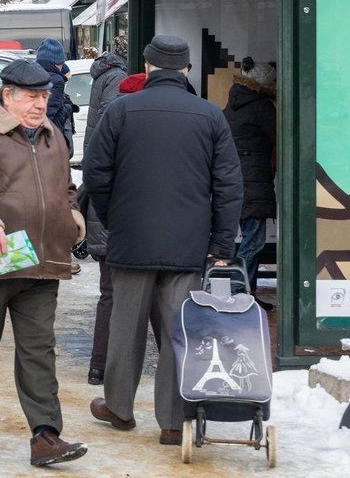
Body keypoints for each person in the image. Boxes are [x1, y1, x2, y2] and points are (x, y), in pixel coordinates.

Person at [83, 35, 242, 446]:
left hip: (131, 240)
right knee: (178, 331)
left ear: (148, 67)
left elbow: (96, 173)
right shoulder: (209, 115)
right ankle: (173, 421)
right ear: (187, 70)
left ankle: (118, 406)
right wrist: (221, 242)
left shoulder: (120, 110)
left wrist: (115, 216)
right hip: (188, 245)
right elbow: (228, 184)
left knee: (125, 326)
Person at [0, 59, 88, 467]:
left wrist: (71, 219)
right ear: (7, 96)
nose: (40, 104)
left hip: (43, 263)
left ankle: (46, 435)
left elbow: (66, 187)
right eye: (31, 97)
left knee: (40, 350)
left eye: (45, 96)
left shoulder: (52, 136)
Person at [82, 69, 146, 387]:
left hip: (103, 227)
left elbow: (93, 175)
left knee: (108, 296)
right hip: (124, 229)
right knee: (135, 299)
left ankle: (98, 365)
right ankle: (122, 370)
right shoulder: (137, 127)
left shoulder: (107, 123)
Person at [224, 57, 277, 297]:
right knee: (253, 243)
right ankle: (240, 293)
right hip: (253, 184)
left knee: (246, 239)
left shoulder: (234, 103)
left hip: (234, 182)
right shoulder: (261, 107)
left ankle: (246, 294)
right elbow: (282, 137)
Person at [83, 35, 128, 154]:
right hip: (104, 147)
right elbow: (108, 112)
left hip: (95, 141)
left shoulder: (107, 69)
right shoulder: (118, 76)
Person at [35, 38, 74, 157]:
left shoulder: (34, 73)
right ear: (57, 64)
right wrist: (67, 109)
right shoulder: (56, 80)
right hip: (50, 139)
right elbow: (47, 113)